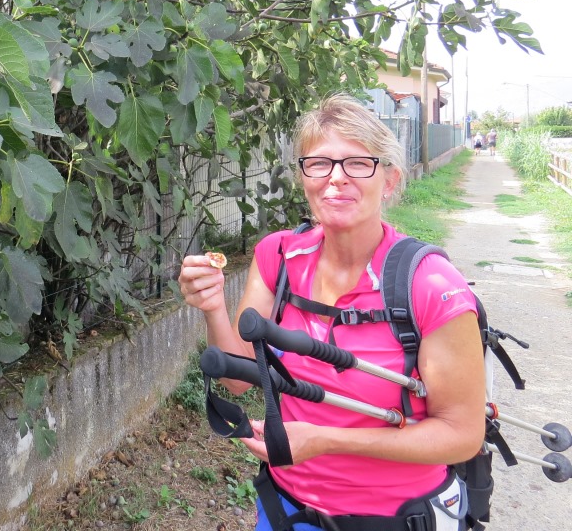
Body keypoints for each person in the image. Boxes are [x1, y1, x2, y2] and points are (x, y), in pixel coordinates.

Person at [178, 93, 484, 531]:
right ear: (304, 177)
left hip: (394, 518)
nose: (336, 179)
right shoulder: (279, 258)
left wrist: (326, 441)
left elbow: (462, 434)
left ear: (390, 179)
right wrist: (212, 309)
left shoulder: (431, 286)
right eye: (319, 163)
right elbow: (236, 378)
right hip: (286, 509)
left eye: (358, 163)